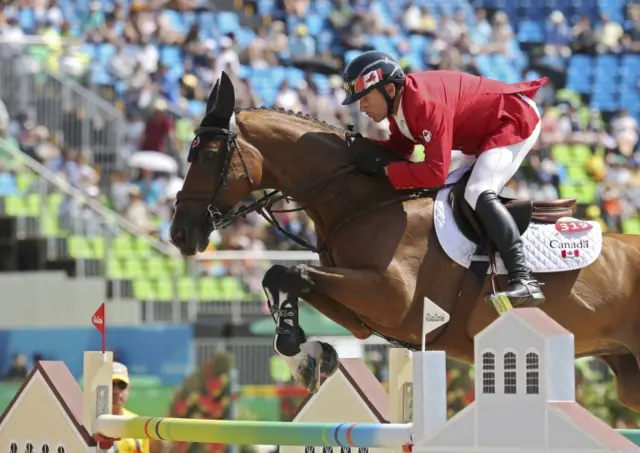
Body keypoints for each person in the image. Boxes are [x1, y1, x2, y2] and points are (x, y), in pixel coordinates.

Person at [341, 50, 548, 307]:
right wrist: (358, 150)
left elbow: (435, 173)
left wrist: (384, 169)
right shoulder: (399, 108)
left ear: (390, 90)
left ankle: (523, 277)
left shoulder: (424, 104)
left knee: (477, 190)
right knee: (452, 195)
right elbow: (399, 149)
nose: (361, 106)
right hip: (481, 133)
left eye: (365, 98)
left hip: (512, 119)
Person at [111, 361, 150, 453]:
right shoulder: (90, 422)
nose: (116, 390)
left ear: (129, 389)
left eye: (122, 385)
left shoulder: (138, 424)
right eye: (111, 384)